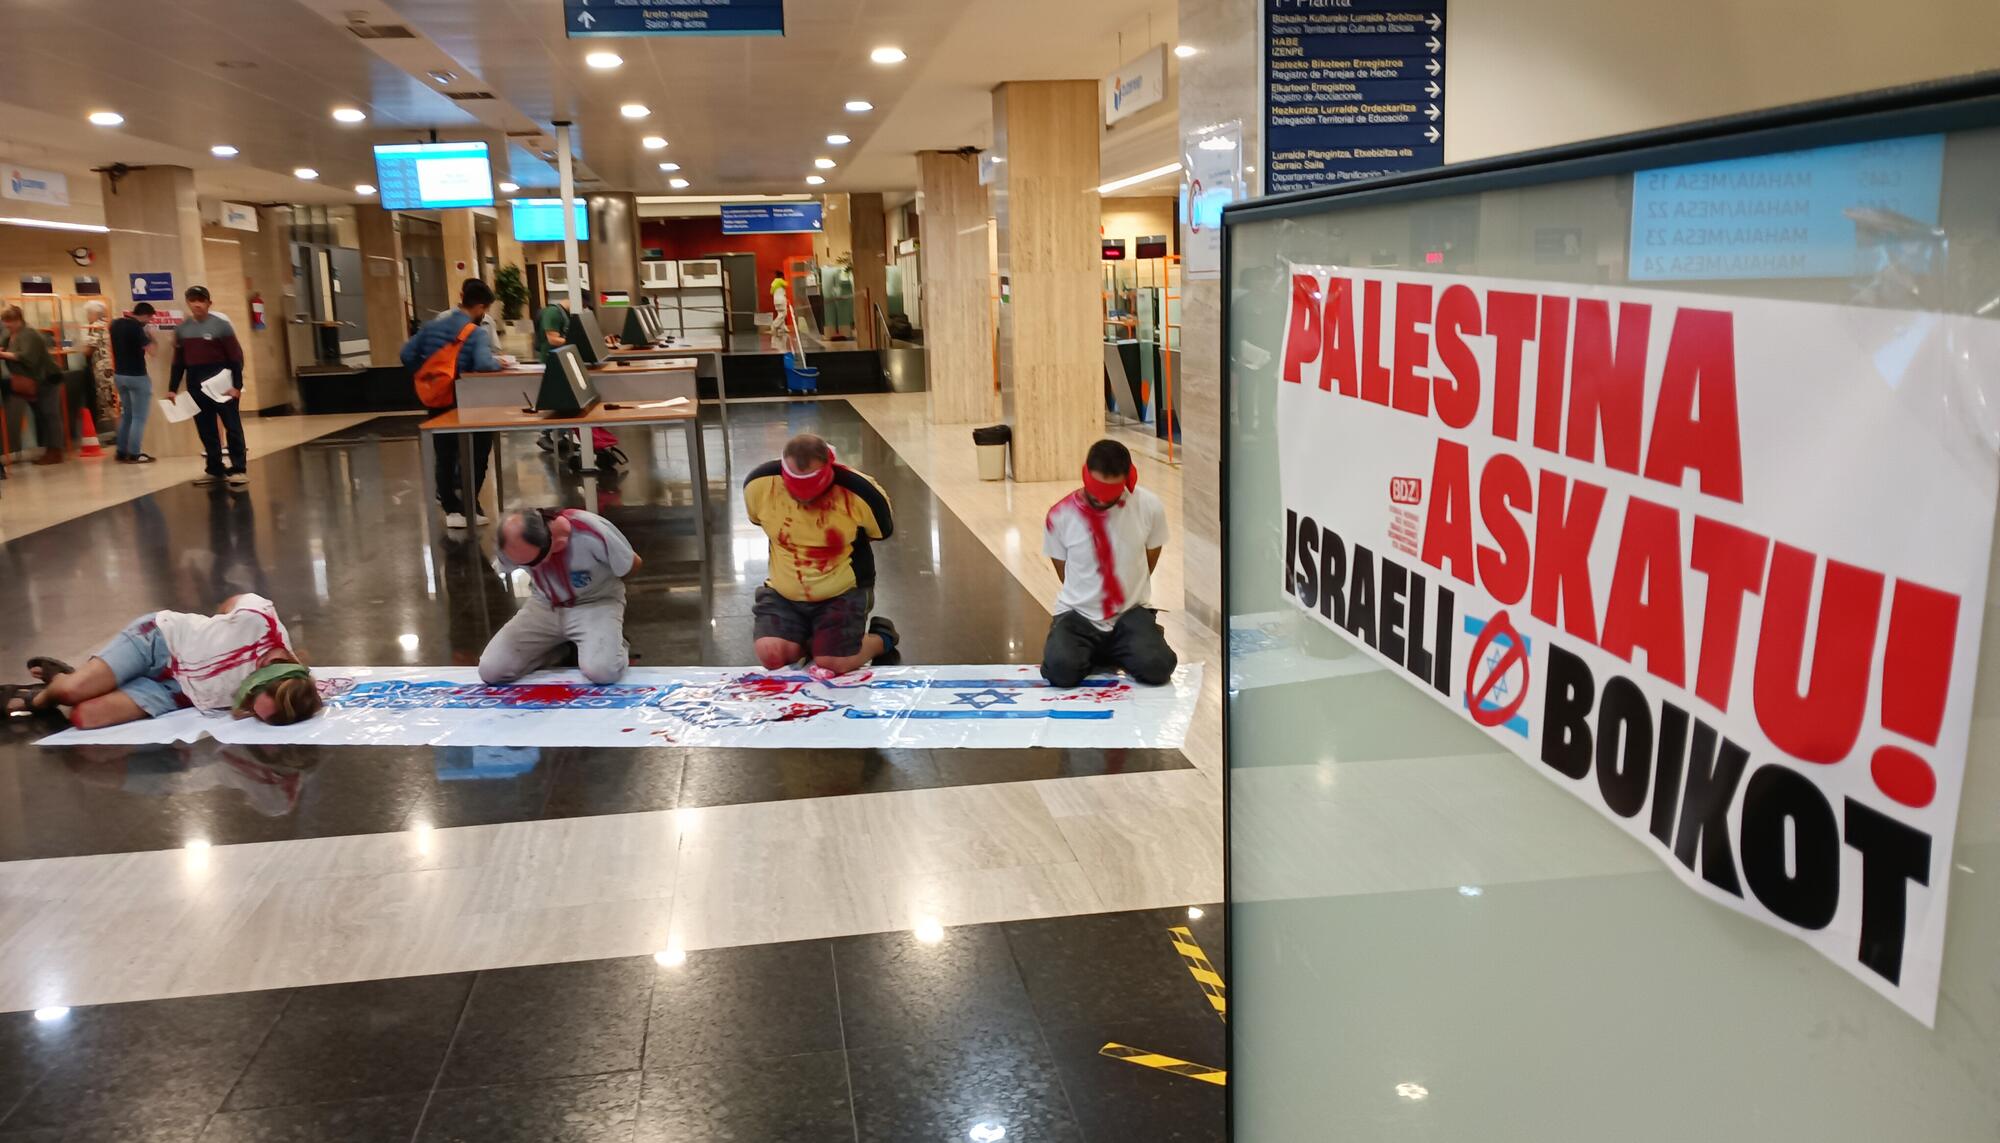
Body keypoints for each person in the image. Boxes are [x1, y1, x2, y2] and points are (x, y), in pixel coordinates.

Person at [10, 594, 322, 729]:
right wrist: (214, 634)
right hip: (160, 640)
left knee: (85, 717)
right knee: (68, 694)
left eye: (257, 716)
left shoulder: (291, 688)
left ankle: (76, 679)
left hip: (178, 691)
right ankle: (42, 694)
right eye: (254, 698)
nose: (248, 707)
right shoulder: (261, 620)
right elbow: (229, 604)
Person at [744, 433, 901, 674]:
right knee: (771, 655)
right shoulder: (760, 483)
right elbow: (758, 520)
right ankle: (813, 637)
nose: (805, 500)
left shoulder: (860, 492)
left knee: (833, 662)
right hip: (783, 590)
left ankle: (882, 637)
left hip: (842, 592)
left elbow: (881, 532)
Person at [1039, 439, 1177, 688]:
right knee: (1060, 671)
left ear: (1127, 480)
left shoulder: (1149, 507)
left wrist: (1128, 589)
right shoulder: (1059, 516)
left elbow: (1151, 557)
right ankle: (1096, 648)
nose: (1101, 502)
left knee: (1159, 668)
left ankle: (1125, 642)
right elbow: (1063, 569)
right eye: (1096, 493)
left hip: (1129, 612)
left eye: (1109, 495)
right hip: (1078, 614)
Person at [480, 508, 641, 685]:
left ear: (553, 541)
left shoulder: (589, 530)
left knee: (603, 672)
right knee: (491, 670)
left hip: (595, 602)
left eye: (533, 562)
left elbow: (632, 564)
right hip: (544, 604)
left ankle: (616, 644)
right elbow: (503, 567)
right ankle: (558, 649)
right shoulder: (509, 544)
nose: (533, 567)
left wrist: (597, 585)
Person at [402, 279, 505, 529]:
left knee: (445, 453)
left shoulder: (432, 325)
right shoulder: (475, 331)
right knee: (478, 450)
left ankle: (450, 508)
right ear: (480, 306)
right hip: (466, 399)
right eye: (486, 310)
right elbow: (482, 363)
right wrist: (499, 364)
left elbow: (406, 354)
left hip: (437, 397)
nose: (485, 315)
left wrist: (428, 374)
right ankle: (469, 502)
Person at [168, 285, 248, 487]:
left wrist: (237, 385)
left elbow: (235, 357)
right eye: (192, 300)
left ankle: (238, 468)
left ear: (208, 303)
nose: (197, 304)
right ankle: (214, 469)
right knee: (206, 429)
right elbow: (178, 362)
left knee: (232, 426)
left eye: (201, 300)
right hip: (196, 384)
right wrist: (172, 388)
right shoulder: (183, 329)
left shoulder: (221, 326)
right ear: (188, 303)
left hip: (222, 383)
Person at [0, 305, 67, 465]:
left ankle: (55, 452)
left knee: (49, 415)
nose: (7, 324)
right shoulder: (11, 335)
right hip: (33, 381)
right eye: (5, 321)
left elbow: (27, 357)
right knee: (42, 415)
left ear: (19, 320)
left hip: (46, 379)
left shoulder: (29, 334)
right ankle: (50, 450)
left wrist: (3, 354)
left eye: (10, 321)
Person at [109, 302, 156, 463]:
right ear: (145, 315)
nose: (149, 322)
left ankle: (121, 451)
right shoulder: (137, 328)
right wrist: (151, 337)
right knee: (139, 417)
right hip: (137, 376)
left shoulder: (115, 324)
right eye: (149, 319)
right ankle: (135, 453)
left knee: (126, 415)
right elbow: (152, 351)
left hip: (120, 376)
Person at [81, 299, 120, 441]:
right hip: (114, 367)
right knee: (117, 402)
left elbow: (88, 349)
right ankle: (121, 434)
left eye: (88, 313)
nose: (87, 316)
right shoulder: (110, 324)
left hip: (103, 370)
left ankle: (120, 435)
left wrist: (78, 348)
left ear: (94, 313)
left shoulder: (95, 326)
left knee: (110, 403)